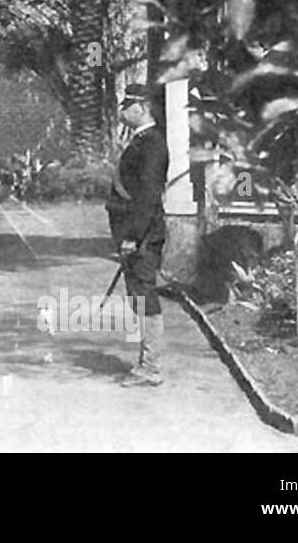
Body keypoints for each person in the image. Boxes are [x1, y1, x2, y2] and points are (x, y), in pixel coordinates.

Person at [107, 83, 169, 387]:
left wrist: (133, 235)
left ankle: (151, 366)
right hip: (134, 233)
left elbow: (147, 196)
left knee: (144, 294)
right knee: (138, 294)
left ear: (141, 107)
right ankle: (146, 362)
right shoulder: (141, 141)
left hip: (143, 235)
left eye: (126, 104)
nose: (121, 110)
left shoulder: (153, 143)